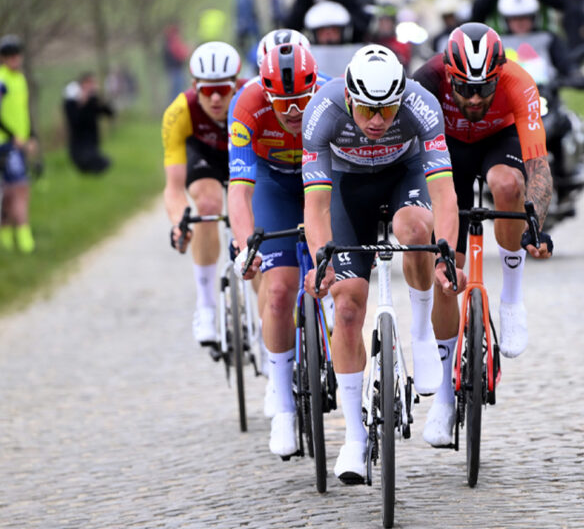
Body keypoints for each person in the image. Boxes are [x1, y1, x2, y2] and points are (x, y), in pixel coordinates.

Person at [301, 45, 464, 483]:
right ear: (350, 98)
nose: (377, 121)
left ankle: (421, 333)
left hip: (402, 176)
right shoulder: (322, 111)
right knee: (349, 305)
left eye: (388, 110)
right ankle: (354, 437)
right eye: (368, 110)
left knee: (415, 231)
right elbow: (314, 207)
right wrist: (322, 259)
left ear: (402, 98)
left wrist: (446, 251)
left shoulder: (421, 106)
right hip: (345, 187)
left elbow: (446, 195)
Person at [413, 23, 554, 447]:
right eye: (464, 89)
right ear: (448, 75)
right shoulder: (426, 80)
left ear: (499, 75)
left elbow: (539, 167)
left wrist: (536, 227)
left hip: (499, 139)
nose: (474, 99)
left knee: (507, 185)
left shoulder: (519, 82)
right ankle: (443, 396)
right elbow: (407, 153)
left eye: (484, 89)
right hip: (447, 150)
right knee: (446, 273)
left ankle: (511, 298)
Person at [228, 44, 320, 457]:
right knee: (279, 291)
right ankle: (282, 404)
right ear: (266, 93)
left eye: (303, 98)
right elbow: (240, 189)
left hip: (322, 181)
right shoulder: (245, 104)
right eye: (284, 102)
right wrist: (246, 245)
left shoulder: (333, 95)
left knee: (344, 280)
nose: (296, 110)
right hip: (273, 185)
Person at [162, 41, 244, 347]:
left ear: (236, 84)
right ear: (194, 86)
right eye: (206, 90)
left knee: (259, 217)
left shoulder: (252, 98)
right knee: (208, 205)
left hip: (243, 155)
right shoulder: (180, 111)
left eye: (222, 90)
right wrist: (178, 222)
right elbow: (173, 187)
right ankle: (206, 305)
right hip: (204, 156)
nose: (214, 98)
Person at [0, 35, 38, 253]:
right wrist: (11, 135)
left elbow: (23, 112)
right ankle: (25, 238)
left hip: (20, 143)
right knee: (20, 189)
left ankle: (4, 237)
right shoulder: (0, 81)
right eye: (10, 56)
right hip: (5, 144)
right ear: (2, 59)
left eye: (17, 55)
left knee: (8, 192)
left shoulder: (21, 79)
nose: (15, 60)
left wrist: (31, 135)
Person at [63, 72, 114, 174]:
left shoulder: (93, 101)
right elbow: (75, 121)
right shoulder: (71, 103)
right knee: (88, 164)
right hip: (79, 146)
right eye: (89, 83)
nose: (91, 87)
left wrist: (100, 99)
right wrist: (82, 102)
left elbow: (109, 112)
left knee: (105, 163)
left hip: (92, 145)